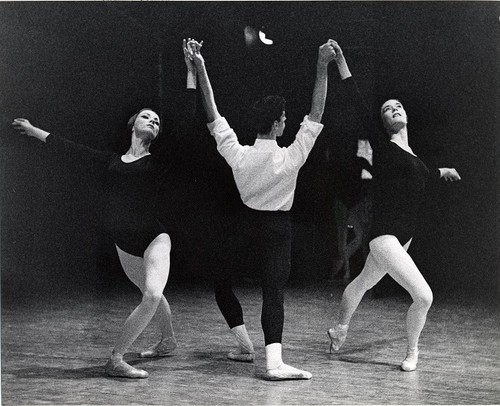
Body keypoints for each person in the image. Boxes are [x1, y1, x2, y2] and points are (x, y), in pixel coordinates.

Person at [11, 39, 199, 379]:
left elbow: (187, 117)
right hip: (123, 242)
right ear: (132, 125)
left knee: (153, 293)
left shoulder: (158, 162)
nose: (153, 121)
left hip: (154, 236)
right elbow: (70, 149)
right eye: (146, 116)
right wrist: (32, 130)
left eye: (157, 120)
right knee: (149, 294)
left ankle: (115, 357)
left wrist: (191, 72)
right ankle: (168, 342)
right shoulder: (111, 161)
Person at [187, 39, 336, 381]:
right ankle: (272, 363)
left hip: (243, 226)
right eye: (284, 118)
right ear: (279, 123)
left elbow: (212, 113)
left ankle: (243, 346)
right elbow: (316, 114)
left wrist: (201, 67)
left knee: (222, 285)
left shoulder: (239, 154)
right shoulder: (290, 157)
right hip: (276, 230)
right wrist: (321, 65)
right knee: (274, 293)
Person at [326, 41, 461, 372]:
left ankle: (339, 330)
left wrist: (444, 171)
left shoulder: (414, 158)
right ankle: (412, 352)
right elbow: (357, 101)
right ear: (383, 122)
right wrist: (342, 62)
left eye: (398, 105)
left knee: (361, 283)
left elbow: (425, 173)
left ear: (407, 115)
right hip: (384, 237)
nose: (394, 108)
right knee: (424, 297)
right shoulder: (383, 148)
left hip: (403, 239)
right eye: (388, 108)